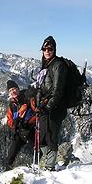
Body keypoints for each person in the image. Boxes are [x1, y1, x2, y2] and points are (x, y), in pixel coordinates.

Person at [35, 35, 69, 171]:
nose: (47, 51)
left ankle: (49, 166)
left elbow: (58, 90)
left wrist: (48, 106)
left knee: (51, 137)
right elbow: (41, 87)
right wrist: (38, 102)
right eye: (44, 49)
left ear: (54, 49)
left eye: (50, 48)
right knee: (42, 136)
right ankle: (47, 160)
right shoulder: (45, 65)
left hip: (56, 108)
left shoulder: (58, 65)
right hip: (44, 106)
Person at [4, 80, 37, 170]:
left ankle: (40, 167)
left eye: (14, 89)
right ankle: (7, 171)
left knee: (37, 150)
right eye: (10, 90)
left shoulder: (27, 97)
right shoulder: (12, 104)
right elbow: (9, 118)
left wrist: (29, 122)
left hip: (31, 129)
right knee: (11, 153)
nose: (12, 91)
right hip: (19, 131)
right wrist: (13, 126)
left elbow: (35, 109)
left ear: (18, 89)